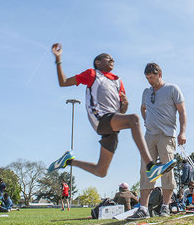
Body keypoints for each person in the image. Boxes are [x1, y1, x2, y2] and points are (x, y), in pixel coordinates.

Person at [48, 44, 171, 185]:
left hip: (112, 126)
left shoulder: (118, 81)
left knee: (101, 171)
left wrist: (125, 104)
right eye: (108, 58)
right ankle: (151, 167)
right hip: (100, 119)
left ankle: (68, 161)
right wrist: (58, 59)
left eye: (113, 59)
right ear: (98, 62)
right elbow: (63, 82)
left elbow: (121, 112)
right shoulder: (92, 74)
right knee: (134, 119)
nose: (112, 60)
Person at [129, 62, 187, 220]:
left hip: (167, 135)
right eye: (147, 78)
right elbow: (143, 108)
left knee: (167, 170)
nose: (149, 81)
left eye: (152, 77)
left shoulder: (172, 89)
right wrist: (146, 120)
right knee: (146, 169)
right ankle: (143, 208)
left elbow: (182, 112)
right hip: (149, 135)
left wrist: (182, 132)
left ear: (159, 75)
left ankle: (165, 206)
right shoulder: (146, 92)